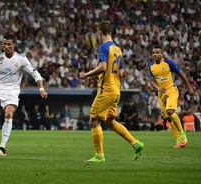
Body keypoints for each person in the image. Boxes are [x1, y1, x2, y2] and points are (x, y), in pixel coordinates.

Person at [79, 20, 144, 163]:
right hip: (116, 90)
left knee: (94, 121)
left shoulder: (104, 47)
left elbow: (102, 67)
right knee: (110, 122)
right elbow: (122, 72)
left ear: (100, 33)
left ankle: (99, 156)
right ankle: (135, 143)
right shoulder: (118, 49)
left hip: (106, 90)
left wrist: (86, 74)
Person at [148, 44, 194, 148]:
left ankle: (183, 135)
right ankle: (179, 140)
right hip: (161, 95)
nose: (155, 54)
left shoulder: (168, 63)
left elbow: (181, 74)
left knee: (170, 112)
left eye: (157, 52)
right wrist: (157, 87)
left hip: (171, 90)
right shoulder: (151, 67)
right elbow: (151, 80)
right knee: (168, 118)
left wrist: (189, 88)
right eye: (153, 52)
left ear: (162, 54)